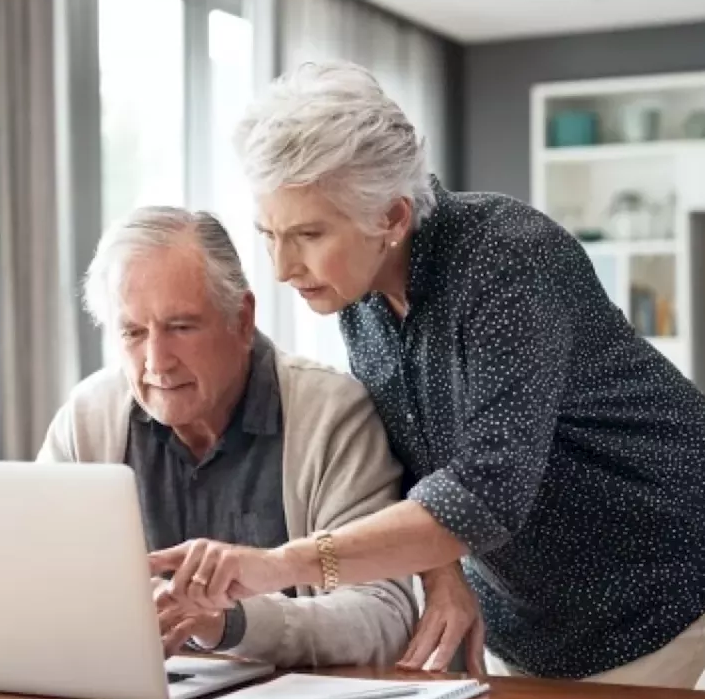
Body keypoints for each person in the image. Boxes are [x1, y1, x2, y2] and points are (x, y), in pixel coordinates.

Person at [152, 62, 705, 688]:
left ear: (391, 218)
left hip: (651, 574)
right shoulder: (357, 291)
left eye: (307, 234)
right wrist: (442, 577)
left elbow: (485, 489)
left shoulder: (506, 260)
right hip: (525, 604)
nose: (282, 266)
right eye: (269, 234)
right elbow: (418, 454)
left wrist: (283, 566)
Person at [38, 205, 432, 668]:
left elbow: (382, 617)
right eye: (133, 332)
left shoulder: (331, 414)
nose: (156, 361)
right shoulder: (87, 419)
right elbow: (37, 581)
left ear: (242, 319)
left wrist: (231, 623)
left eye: (181, 327)